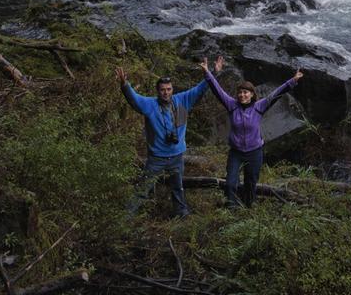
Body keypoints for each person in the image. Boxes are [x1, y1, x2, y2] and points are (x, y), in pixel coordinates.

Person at [116, 60, 219, 217]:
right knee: (143, 189)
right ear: (158, 91)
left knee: (178, 187)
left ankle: (181, 213)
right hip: (157, 157)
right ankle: (126, 217)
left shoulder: (183, 100)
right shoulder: (150, 104)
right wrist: (125, 85)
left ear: (173, 90)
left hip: (177, 156)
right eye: (163, 90)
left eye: (169, 89)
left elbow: (202, 88)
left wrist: (213, 72)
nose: (166, 92)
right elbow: (134, 99)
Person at [200, 55, 303, 207]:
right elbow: (217, 90)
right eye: (240, 92)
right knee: (230, 183)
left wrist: (292, 81)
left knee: (250, 184)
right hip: (236, 152)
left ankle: (248, 208)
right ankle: (232, 208)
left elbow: (276, 94)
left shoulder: (259, 106)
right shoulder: (231, 105)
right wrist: (207, 72)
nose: (242, 95)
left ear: (252, 94)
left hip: (255, 151)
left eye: (246, 92)